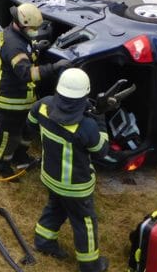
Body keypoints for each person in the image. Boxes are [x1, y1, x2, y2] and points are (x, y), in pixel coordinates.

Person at [27, 68, 110, 272]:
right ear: (84, 95)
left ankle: (44, 240)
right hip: (76, 187)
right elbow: (101, 150)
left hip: (50, 177)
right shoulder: (86, 127)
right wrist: (100, 119)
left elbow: (30, 124)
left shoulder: (43, 105)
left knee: (56, 207)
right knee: (85, 222)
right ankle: (91, 265)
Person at [0, 2, 71, 177]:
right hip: (11, 99)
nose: (35, 30)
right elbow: (26, 73)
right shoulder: (14, 44)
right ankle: (1, 164)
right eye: (33, 28)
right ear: (22, 24)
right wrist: (54, 68)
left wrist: (36, 49)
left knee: (26, 130)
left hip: (23, 96)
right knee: (8, 134)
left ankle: (20, 157)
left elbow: (25, 57)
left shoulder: (18, 35)